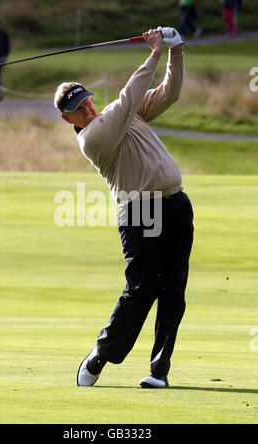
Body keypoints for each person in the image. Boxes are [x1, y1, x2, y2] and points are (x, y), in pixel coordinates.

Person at [54, 27, 194, 389]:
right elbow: (129, 95)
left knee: (174, 290)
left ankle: (159, 370)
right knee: (141, 291)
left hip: (177, 204)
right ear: (68, 120)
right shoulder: (94, 137)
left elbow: (169, 93)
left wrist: (175, 54)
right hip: (140, 213)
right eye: (77, 109)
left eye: (86, 101)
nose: (86, 107)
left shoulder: (127, 115)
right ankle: (100, 355)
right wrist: (154, 53)